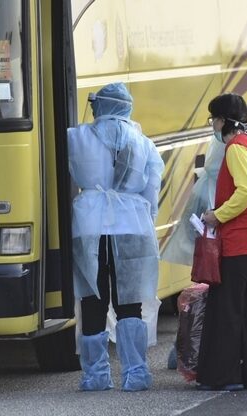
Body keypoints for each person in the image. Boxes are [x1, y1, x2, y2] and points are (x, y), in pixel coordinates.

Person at [68, 82, 164, 391]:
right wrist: (147, 221)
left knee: (94, 300)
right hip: (131, 226)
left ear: (100, 107)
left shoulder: (76, 137)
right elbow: (152, 190)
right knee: (129, 303)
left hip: (90, 226)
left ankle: (96, 375)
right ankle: (135, 373)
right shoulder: (143, 142)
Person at [161, 88, 247, 266]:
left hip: (237, 214)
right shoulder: (242, 141)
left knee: (223, 268)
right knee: (216, 264)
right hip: (223, 205)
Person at [195, 93, 247, 391]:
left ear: (224, 120)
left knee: (227, 308)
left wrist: (218, 215)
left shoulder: (235, 148)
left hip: (240, 240)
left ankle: (224, 375)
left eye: (214, 119)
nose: (213, 125)